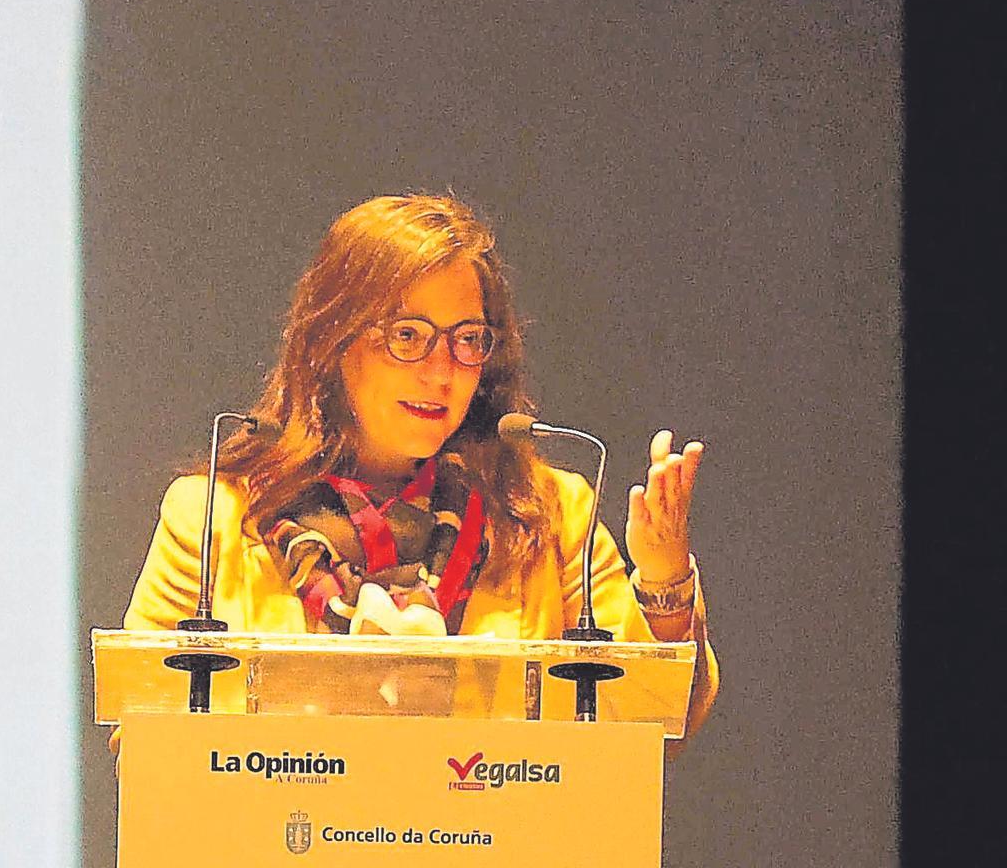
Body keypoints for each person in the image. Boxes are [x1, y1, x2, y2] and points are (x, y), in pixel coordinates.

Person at [123, 194, 717, 734]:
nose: (441, 372)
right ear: (334, 340)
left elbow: (649, 727)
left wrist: (665, 582)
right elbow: (142, 737)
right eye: (408, 336)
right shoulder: (213, 519)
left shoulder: (549, 515)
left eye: (467, 339)